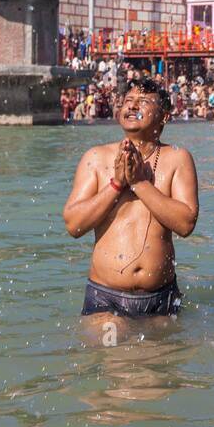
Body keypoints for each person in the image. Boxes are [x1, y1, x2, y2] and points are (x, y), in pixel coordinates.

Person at [62, 77, 199, 320]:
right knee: (117, 356)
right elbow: (74, 225)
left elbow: (186, 224)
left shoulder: (178, 158)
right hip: (105, 297)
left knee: (162, 358)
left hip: (162, 298)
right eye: (128, 101)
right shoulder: (95, 157)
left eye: (143, 101)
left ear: (165, 116)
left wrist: (138, 183)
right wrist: (116, 184)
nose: (133, 106)